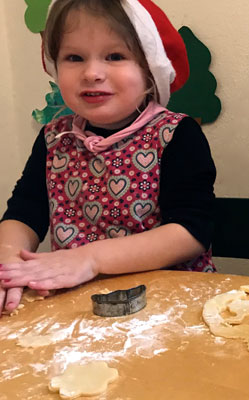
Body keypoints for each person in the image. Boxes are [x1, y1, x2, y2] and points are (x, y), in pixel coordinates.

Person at [0, 0, 216, 315]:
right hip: (77, 308)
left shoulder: (176, 134)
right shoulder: (53, 139)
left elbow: (192, 231)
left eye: (115, 56)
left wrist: (90, 259)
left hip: (169, 305)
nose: (91, 73)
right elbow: (24, 211)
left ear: (150, 70)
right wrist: (8, 258)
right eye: (74, 57)